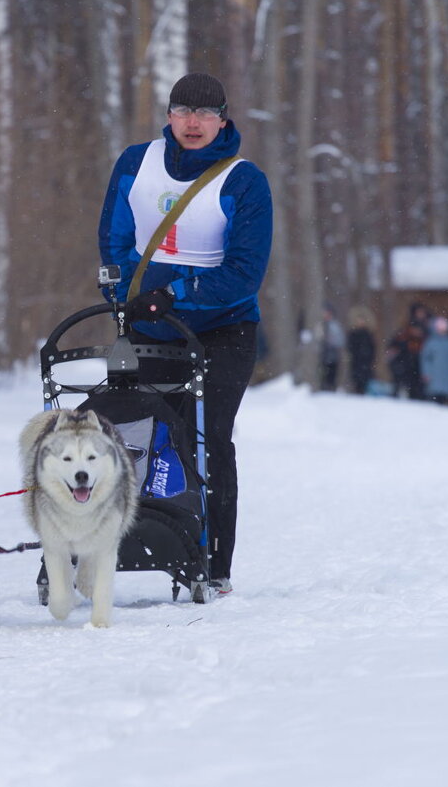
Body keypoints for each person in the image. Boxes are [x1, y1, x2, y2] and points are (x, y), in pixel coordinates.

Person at [98, 73, 272, 595]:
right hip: (150, 329)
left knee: (208, 437)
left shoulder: (243, 181)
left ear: (222, 119)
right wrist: (120, 295)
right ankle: (146, 540)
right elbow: (113, 242)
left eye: (204, 113)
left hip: (224, 330)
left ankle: (215, 563)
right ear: (169, 115)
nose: (192, 123)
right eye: (182, 111)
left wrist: (177, 294)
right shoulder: (136, 163)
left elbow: (244, 273)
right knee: (143, 435)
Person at [420, 316, 448, 405]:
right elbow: (425, 359)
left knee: (445, 401)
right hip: (434, 377)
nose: (442, 331)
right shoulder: (431, 342)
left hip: (447, 378)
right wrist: (426, 373)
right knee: (434, 401)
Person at [346, 305, 377, 395]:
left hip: (366, 362)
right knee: (356, 380)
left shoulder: (368, 334)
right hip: (356, 362)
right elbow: (350, 347)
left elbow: (372, 349)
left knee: (365, 381)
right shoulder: (353, 333)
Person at [319, 304, 346, 391]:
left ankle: (331, 388)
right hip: (322, 353)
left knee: (331, 373)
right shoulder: (320, 324)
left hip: (332, 353)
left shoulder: (335, 325)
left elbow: (340, 340)